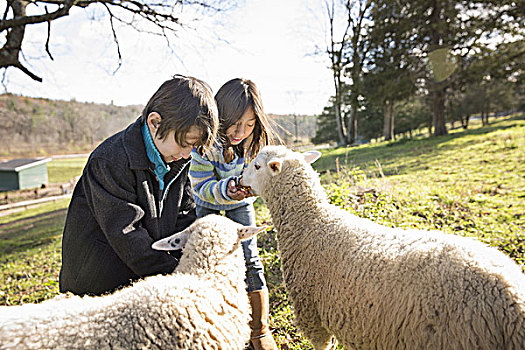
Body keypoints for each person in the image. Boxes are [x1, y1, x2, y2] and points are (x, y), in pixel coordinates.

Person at [59, 75, 219, 296]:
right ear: (155, 123)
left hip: (143, 279)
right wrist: (176, 276)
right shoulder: (110, 161)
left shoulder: (176, 158)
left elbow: (184, 215)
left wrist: (194, 259)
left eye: (194, 146)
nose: (186, 153)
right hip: (98, 287)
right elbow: (128, 234)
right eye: (185, 143)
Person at [189, 78, 280, 350]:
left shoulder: (254, 145)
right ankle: (212, 322)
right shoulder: (205, 145)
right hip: (209, 206)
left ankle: (260, 331)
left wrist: (253, 187)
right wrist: (227, 189)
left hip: (240, 206)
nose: (240, 131)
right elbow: (201, 187)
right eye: (235, 123)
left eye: (249, 124)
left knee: (250, 259)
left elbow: (260, 176)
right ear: (221, 116)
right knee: (208, 261)